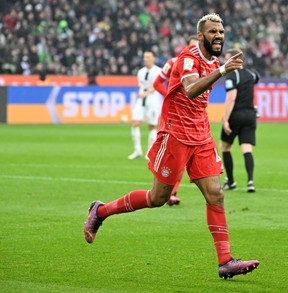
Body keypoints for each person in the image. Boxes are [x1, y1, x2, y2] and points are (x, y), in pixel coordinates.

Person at [84, 13, 259, 280]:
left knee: (216, 195)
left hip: (200, 136)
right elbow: (190, 89)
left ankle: (225, 261)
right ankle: (101, 210)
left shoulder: (212, 60)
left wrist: (219, 68)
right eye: (213, 32)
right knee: (158, 198)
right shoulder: (188, 58)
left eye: (221, 32)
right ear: (201, 35)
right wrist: (222, 70)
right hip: (176, 135)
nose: (219, 36)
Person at [152, 35, 199, 206]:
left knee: (184, 160)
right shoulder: (173, 62)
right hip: (173, 117)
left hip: (191, 118)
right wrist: (169, 97)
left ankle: (172, 193)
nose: (196, 50)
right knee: (172, 157)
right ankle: (165, 191)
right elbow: (157, 83)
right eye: (193, 47)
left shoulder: (203, 64)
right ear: (187, 47)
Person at [220, 48, 260, 193]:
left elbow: (231, 98)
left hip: (236, 115)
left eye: (227, 59)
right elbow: (257, 78)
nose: (225, 61)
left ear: (235, 60)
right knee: (246, 148)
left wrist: (225, 119)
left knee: (225, 147)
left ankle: (230, 181)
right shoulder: (251, 74)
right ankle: (250, 181)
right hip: (250, 115)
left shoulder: (232, 76)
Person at [127, 51, 162, 160]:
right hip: (141, 100)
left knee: (152, 125)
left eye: (148, 57)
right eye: (144, 57)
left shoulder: (158, 71)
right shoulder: (141, 72)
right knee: (135, 122)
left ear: (153, 58)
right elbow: (140, 85)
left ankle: (150, 152)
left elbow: (157, 86)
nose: (145, 59)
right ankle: (137, 150)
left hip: (153, 100)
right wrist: (140, 93)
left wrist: (146, 93)